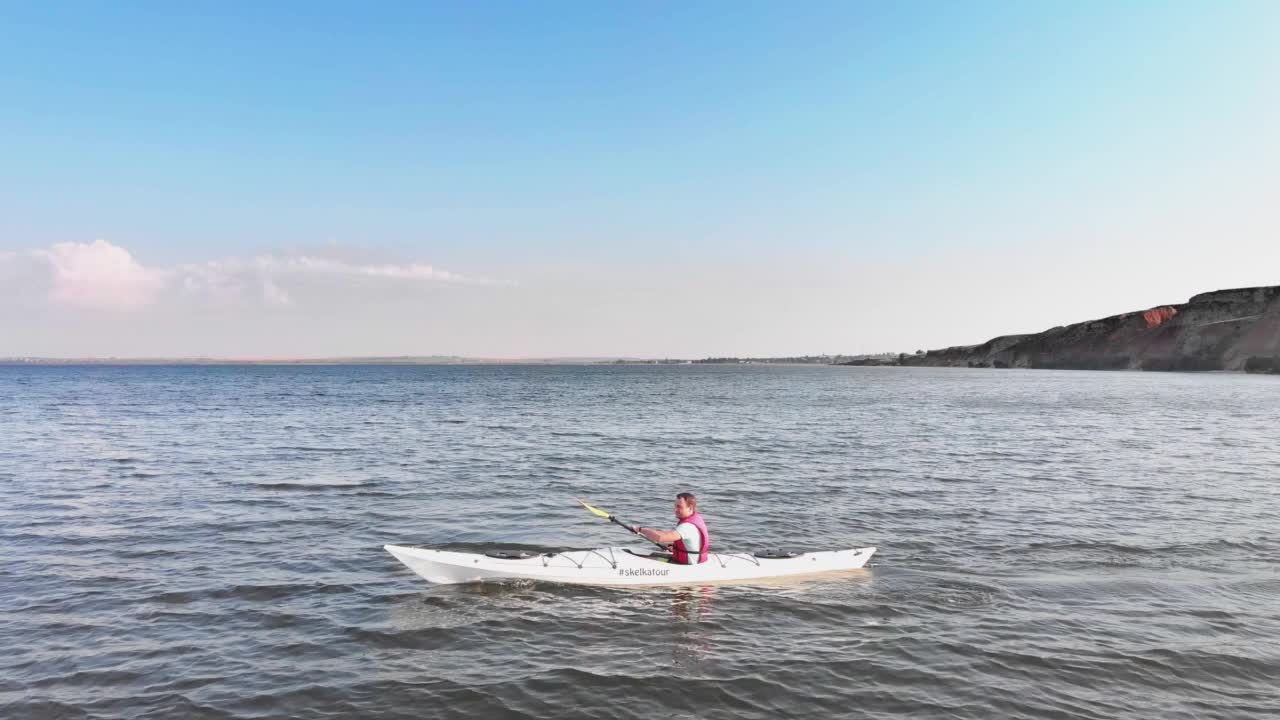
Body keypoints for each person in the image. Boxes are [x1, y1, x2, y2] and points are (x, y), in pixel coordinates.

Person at [633, 492, 710, 564]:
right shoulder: (696, 517)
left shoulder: (687, 526)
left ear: (690, 508)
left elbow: (660, 537)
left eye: (679, 507)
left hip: (685, 565)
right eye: (675, 506)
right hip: (689, 560)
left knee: (644, 561)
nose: (675, 509)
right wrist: (674, 547)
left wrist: (641, 530)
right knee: (647, 557)